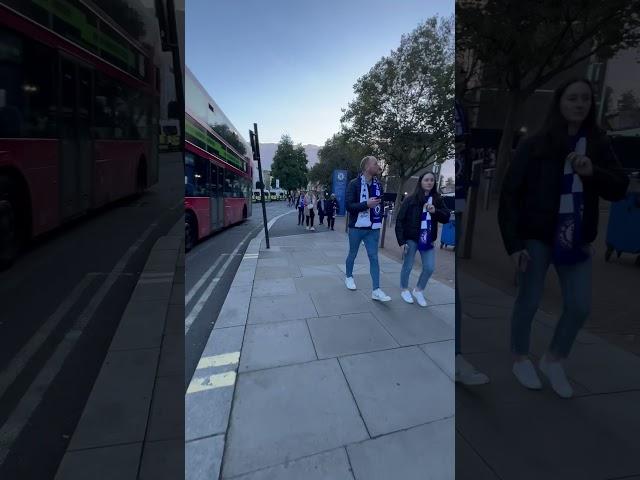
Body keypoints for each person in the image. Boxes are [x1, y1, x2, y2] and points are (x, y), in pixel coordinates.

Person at [498, 78, 629, 398]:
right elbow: (510, 194)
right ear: (559, 102)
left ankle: (554, 358)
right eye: (573, 98)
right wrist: (514, 245)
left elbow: (619, 186)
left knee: (579, 305)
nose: (579, 104)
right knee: (528, 300)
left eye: (585, 99)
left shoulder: (598, 143)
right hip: (537, 236)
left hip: (575, 237)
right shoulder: (536, 144)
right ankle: (520, 357)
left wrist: (592, 172)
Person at [394, 172, 450, 307]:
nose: (429, 182)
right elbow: (400, 221)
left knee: (429, 267)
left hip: (427, 239)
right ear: (421, 182)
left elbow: (446, 217)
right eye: (426, 180)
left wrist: (435, 211)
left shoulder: (437, 199)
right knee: (408, 265)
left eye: (432, 180)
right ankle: (404, 289)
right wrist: (401, 242)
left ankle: (419, 290)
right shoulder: (411, 200)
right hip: (411, 238)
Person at [345, 156, 391, 302]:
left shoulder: (378, 184)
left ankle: (376, 290)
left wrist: (380, 215)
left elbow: (381, 202)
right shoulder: (354, 184)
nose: (378, 166)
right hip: (357, 227)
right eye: (375, 163)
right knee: (352, 253)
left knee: (374, 257)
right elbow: (348, 206)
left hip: (373, 228)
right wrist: (366, 204)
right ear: (366, 167)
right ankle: (349, 277)